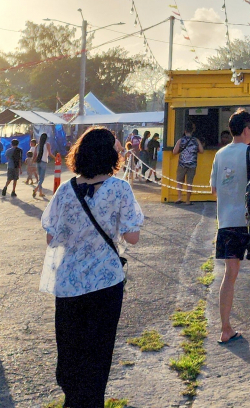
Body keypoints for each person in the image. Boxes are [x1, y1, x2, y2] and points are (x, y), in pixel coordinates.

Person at [41, 127, 144, 408]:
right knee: (97, 354)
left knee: (71, 352)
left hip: (69, 283)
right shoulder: (120, 188)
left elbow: (51, 237)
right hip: (105, 283)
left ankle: (72, 400)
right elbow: (132, 237)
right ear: (109, 154)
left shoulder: (66, 189)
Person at [210, 109, 250, 344]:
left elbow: (214, 189)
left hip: (226, 222)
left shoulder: (219, 154)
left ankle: (225, 328)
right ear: (247, 129)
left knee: (229, 275)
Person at [172, 122, 202, 204]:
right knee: (189, 183)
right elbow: (202, 151)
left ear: (185, 131)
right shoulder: (196, 140)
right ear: (193, 131)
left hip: (182, 164)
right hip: (192, 165)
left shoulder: (180, 140)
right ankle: (188, 200)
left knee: (179, 182)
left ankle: (179, 197)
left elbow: (174, 151)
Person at [31, 132, 52, 199]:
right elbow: (50, 154)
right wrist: (56, 158)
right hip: (44, 162)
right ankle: (36, 189)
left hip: (38, 162)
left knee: (40, 178)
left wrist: (32, 161)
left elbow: (35, 155)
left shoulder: (37, 145)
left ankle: (40, 192)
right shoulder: (47, 144)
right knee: (42, 179)